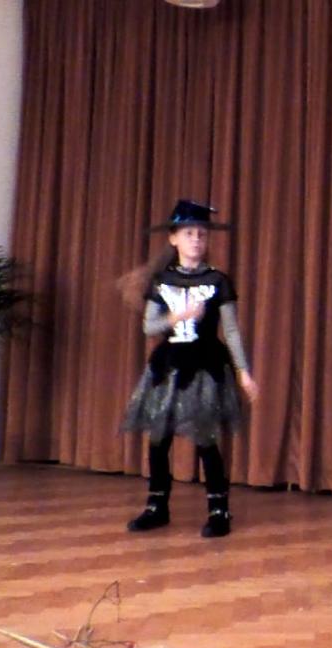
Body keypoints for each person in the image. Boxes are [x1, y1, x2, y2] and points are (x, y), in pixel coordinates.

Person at [119, 199, 259, 537]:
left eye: (201, 234)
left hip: (205, 365)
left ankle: (219, 509)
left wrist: (243, 371)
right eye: (188, 233)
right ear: (174, 239)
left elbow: (232, 331)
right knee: (159, 437)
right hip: (169, 366)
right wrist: (178, 316)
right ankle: (157, 506)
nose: (196, 239)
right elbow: (149, 327)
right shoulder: (161, 280)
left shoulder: (218, 280)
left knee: (205, 437)